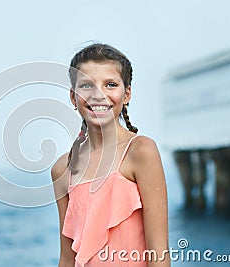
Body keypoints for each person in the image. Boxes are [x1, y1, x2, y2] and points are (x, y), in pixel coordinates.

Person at [51, 43, 170, 267]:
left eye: (111, 84)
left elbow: (159, 253)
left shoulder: (141, 152)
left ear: (126, 94)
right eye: (86, 85)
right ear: (73, 97)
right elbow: (67, 259)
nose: (98, 95)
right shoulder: (63, 169)